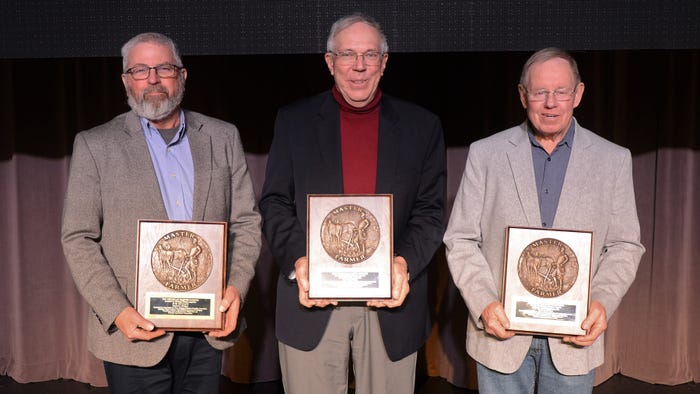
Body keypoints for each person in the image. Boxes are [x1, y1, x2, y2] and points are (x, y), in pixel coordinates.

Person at [60, 32, 261, 394]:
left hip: (207, 331)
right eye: (140, 70)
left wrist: (237, 288)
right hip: (134, 332)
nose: (152, 78)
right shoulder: (95, 145)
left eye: (164, 68)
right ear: (126, 81)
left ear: (182, 76)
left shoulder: (222, 136)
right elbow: (78, 238)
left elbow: (247, 223)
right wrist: (116, 310)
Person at [259, 13, 446, 394]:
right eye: (347, 54)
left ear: (384, 62)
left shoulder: (422, 126)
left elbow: (430, 212)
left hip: (390, 304)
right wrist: (299, 261)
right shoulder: (293, 122)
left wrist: (402, 264)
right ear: (330, 62)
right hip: (310, 300)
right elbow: (275, 202)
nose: (359, 66)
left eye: (369, 55)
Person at [443, 47, 645, 393]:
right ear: (523, 96)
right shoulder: (486, 154)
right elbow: (460, 238)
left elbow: (626, 245)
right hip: (500, 337)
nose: (551, 103)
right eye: (540, 92)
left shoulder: (613, 160)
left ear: (578, 94)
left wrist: (601, 301)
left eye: (561, 91)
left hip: (573, 338)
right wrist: (484, 304)